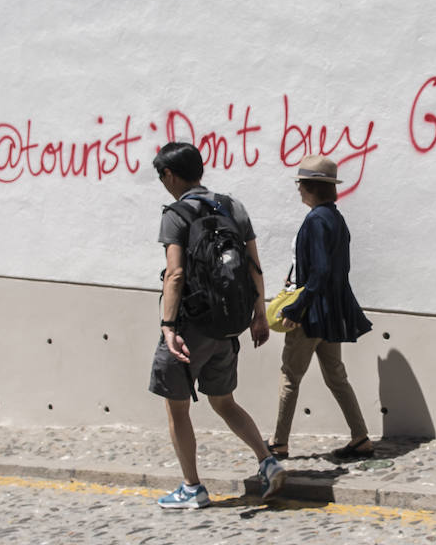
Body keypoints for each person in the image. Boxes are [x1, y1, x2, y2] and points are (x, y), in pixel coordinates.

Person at [148, 142, 286, 508]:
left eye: (161, 176)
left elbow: (175, 274)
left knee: (177, 408)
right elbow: (254, 266)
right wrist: (259, 314)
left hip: (191, 327)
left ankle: (192, 487)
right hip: (228, 325)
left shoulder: (176, 214)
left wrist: (168, 327)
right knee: (224, 401)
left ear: (169, 174)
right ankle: (268, 461)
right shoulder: (233, 206)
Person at [267, 155, 375, 460]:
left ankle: (279, 443)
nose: (298, 189)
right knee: (337, 377)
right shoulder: (336, 218)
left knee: (290, 377)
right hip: (330, 314)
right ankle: (360, 437)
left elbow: (321, 270)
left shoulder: (315, 220)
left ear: (312, 187)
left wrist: (296, 309)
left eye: (301, 184)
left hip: (310, 315)